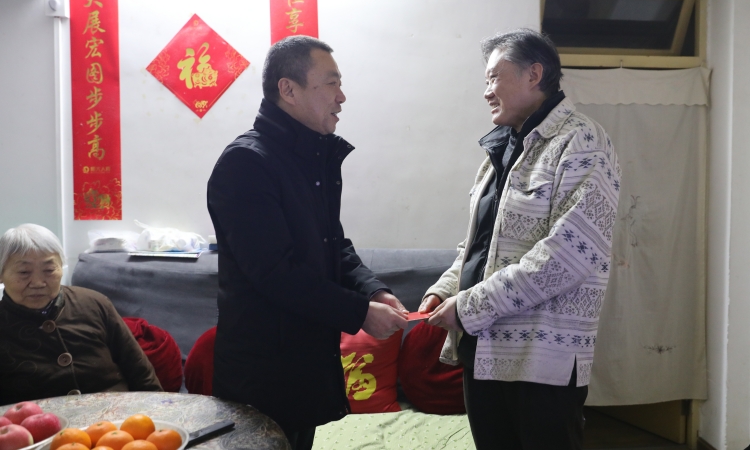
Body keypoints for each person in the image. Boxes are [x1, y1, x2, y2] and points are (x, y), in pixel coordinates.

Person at [419, 28, 621, 450]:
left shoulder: (582, 141)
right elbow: (479, 246)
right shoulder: (502, 150)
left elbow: (567, 256)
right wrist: (445, 289)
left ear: (534, 74)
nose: (487, 92)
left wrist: (469, 306)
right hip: (483, 351)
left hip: (540, 361)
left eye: (494, 77)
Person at [207, 35, 407, 450]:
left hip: (305, 366)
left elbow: (334, 243)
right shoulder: (247, 163)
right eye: (331, 83)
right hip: (263, 374)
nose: (342, 97)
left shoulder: (310, 160)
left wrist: (373, 290)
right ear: (288, 89)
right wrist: (359, 313)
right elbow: (275, 272)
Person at [0, 224, 162, 405]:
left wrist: (159, 411)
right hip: (34, 422)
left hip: (117, 416)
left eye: (49, 270)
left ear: (61, 268)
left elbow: (139, 371)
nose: (38, 282)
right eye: (23, 272)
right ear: (1, 274)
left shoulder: (94, 303)